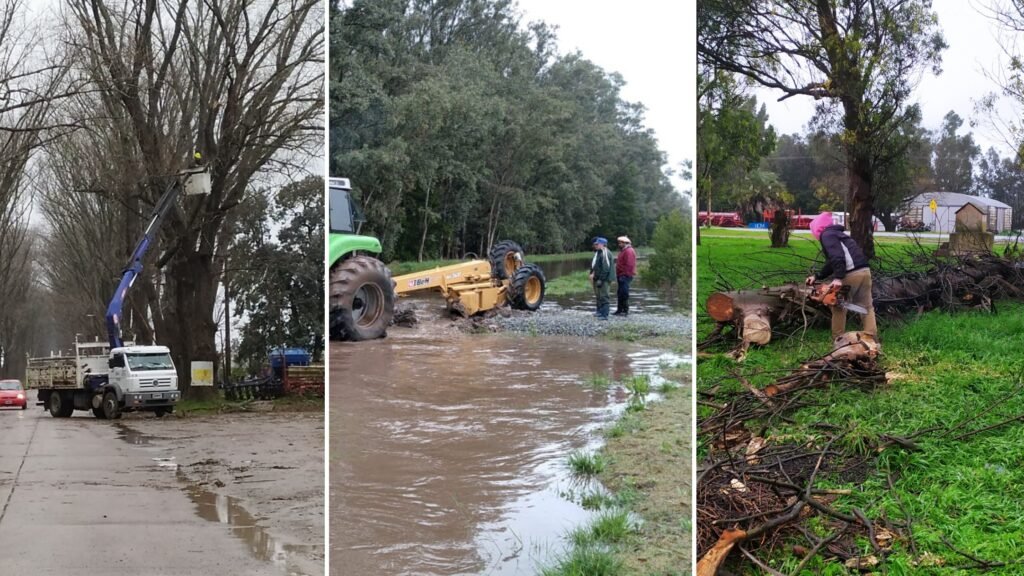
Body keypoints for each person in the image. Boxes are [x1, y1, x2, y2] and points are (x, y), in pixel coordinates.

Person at [804, 212, 877, 339]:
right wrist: (817, 276)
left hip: (850, 273)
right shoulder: (838, 234)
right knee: (867, 307)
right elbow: (832, 262)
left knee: (838, 307)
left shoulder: (827, 235)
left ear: (818, 228)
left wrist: (838, 278)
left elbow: (837, 257)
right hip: (864, 271)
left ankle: (838, 339)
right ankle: (871, 338)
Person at [589, 237, 614, 319]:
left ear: (603, 244)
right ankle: (600, 312)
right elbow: (596, 266)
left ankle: (605, 314)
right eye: (596, 244)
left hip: (605, 279)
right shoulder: (599, 252)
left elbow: (606, 268)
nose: (596, 245)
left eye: (598, 244)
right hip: (598, 278)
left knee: (604, 296)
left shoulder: (605, 253)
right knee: (599, 296)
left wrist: (601, 279)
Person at [613, 235, 637, 316]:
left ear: (625, 243)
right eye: (619, 243)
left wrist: (624, 275)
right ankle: (620, 310)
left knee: (624, 293)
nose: (619, 244)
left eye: (620, 243)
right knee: (620, 292)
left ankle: (625, 310)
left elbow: (629, 265)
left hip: (625, 276)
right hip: (621, 275)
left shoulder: (629, 251)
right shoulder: (623, 251)